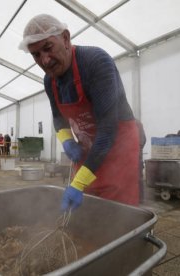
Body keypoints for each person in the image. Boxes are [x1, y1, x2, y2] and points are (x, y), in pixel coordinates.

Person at [20, 14, 140, 210]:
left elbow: (108, 130)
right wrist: (67, 140)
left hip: (118, 146)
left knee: (116, 209)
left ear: (66, 38)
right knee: (87, 208)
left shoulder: (96, 62)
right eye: (36, 55)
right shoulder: (49, 80)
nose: (45, 60)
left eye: (48, 48)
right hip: (90, 146)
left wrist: (78, 183)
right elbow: (58, 118)